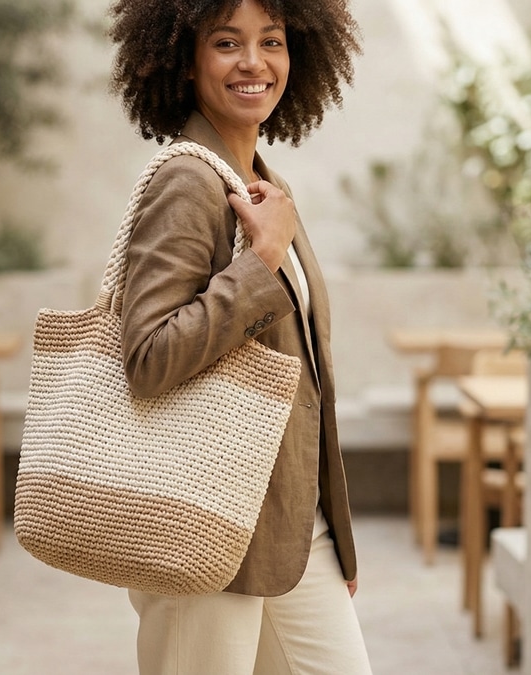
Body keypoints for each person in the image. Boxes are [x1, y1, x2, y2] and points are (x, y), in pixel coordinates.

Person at [107, 0, 369, 673]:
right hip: (205, 521)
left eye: (272, 41)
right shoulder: (187, 182)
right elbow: (148, 355)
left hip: (289, 525)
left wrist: (334, 531)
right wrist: (259, 265)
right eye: (227, 42)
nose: (254, 62)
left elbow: (309, 372)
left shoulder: (264, 183)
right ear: (186, 62)